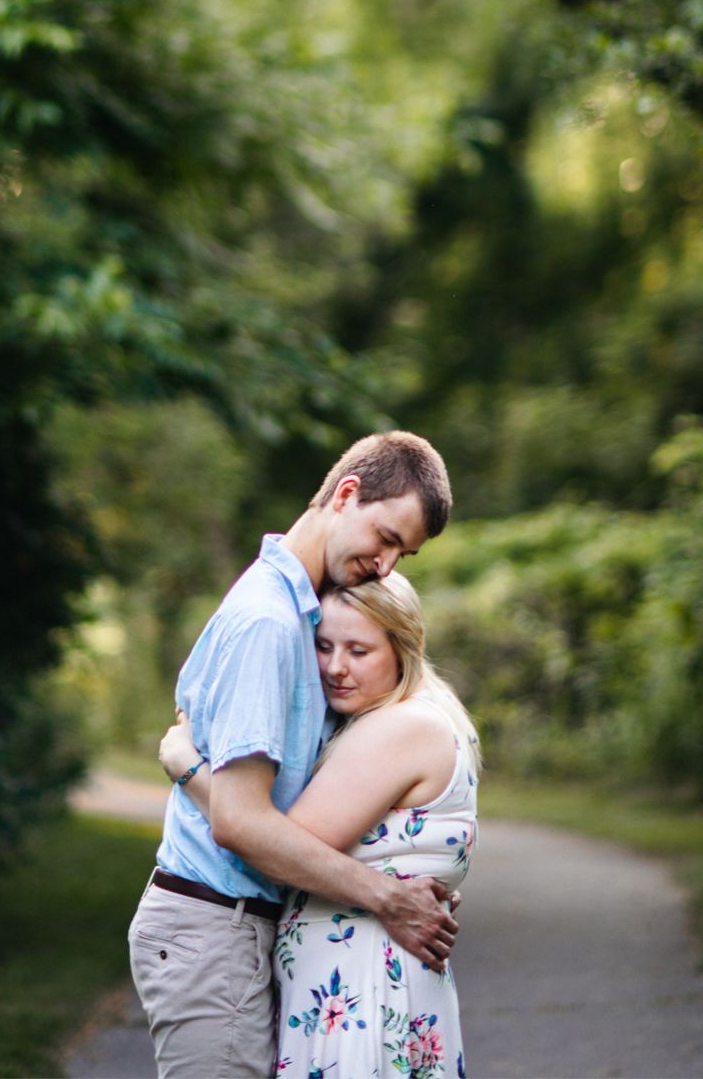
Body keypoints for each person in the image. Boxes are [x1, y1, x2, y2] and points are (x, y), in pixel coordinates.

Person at [128, 431, 459, 1079]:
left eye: (404, 552)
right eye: (386, 537)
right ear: (346, 493)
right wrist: (387, 896)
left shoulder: (297, 614)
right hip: (213, 928)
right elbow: (241, 820)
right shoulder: (269, 623)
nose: (387, 564)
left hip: (240, 928)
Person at [163, 570, 480, 1079]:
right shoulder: (417, 717)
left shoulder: (400, 726)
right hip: (359, 982)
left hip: (360, 990)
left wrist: (189, 767)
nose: (335, 667)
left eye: (359, 651)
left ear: (403, 648)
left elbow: (281, 844)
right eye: (324, 646)